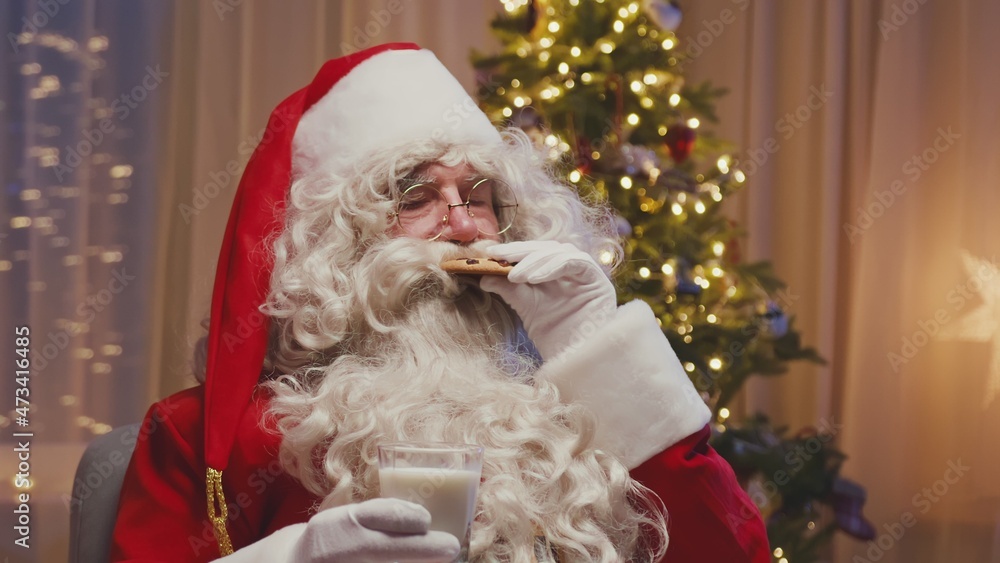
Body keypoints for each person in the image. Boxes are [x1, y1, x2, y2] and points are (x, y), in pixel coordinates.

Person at [111, 43, 770, 562]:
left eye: (478, 194)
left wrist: (593, 343)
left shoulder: (581, 410)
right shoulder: (215, 438)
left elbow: (733, 555)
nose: (461, 225)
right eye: (415, 197)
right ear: (333, 248)